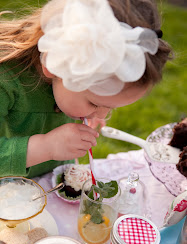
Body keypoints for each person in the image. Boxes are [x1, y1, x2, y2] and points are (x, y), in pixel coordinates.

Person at [0, 0, 172, 178]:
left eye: (111, 107)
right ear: (54, 64)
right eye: (94, 103)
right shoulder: (6, 80)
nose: (102, 115)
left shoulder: (70, 82)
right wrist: (47, 147)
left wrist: (91, 111)